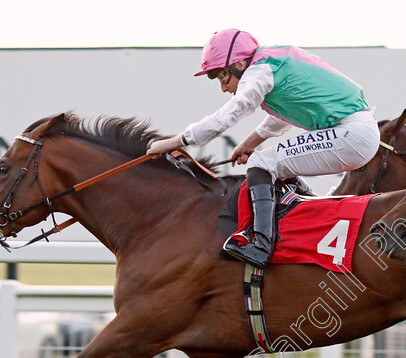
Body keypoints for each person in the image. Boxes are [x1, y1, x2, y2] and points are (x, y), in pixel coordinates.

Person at [146, 29, 380, 269]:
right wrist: (249, 143)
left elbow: (228, 115)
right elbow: (283, 117)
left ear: (239, 63)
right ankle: (308, 223)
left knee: (261, 163)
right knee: (272, 163)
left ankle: (260, 246)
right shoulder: (272, 63)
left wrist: (174, 142)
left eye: (223, 77)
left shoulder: (259, 70)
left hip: (352, 134)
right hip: (355, 133)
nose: (224, 88)